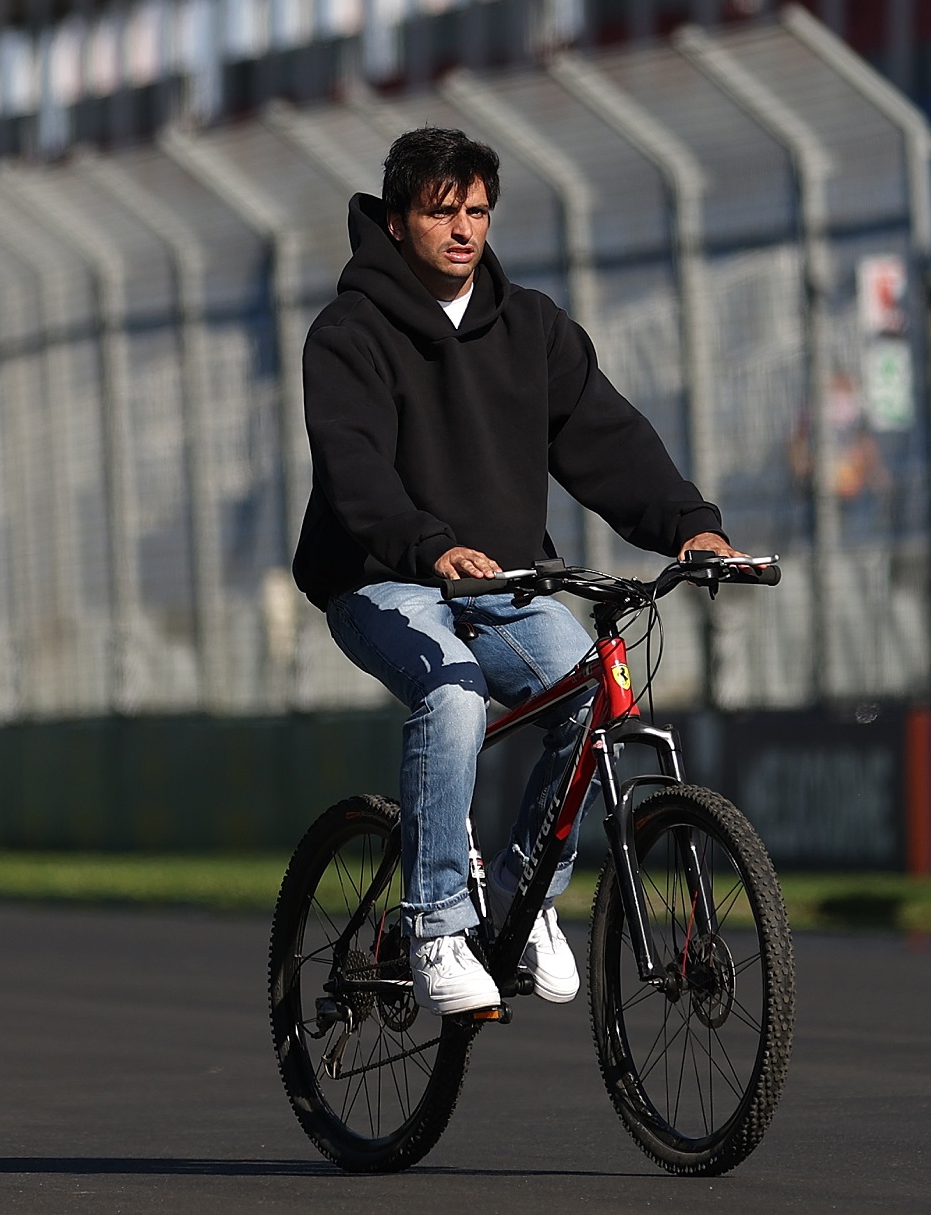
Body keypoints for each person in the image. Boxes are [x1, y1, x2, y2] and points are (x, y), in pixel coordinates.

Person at [295, 128, 742, 1018]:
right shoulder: (348, 333)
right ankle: (435, 923)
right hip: (380, 577)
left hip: (500, 579)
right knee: (454, 690)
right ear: (395, 222)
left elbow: (608, 442)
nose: (463, 229)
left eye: (477, 211)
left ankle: (524, 893)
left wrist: (690, 527)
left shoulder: (533, 327)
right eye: (440, 211)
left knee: (590, 689)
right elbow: (356, 473)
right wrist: (427, 545)